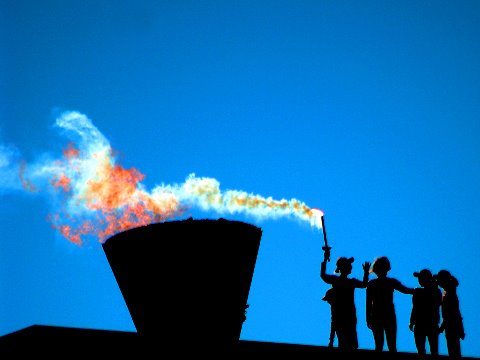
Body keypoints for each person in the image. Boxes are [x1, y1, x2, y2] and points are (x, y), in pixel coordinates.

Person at [320, 247, 370, 350]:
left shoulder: (347, 281)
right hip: (342, 313)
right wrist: (325, 259)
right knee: (345, 340)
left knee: (350, 340)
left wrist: (366, 273)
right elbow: (323, 276)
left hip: (348, 313)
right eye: (349, 266)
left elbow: (364, 284)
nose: (351, 268)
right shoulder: (342, 281)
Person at [366, 256, 414, 352]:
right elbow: (368, 303)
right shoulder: (375, 283)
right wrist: (368, 318)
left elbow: (405, 290)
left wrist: (417, 291)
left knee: (387, 344)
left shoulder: (386, 282)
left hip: (384, 314)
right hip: (380, 314)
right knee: (383, 344)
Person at [409, 268, 442, 356]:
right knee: (430, 350)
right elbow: (415, 308)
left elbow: (415, 308)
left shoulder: (419, 292)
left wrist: (412, 321)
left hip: (425, 324)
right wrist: (412, 321)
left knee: (426, 350)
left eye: (421, 278)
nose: (419, 280)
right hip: (428, 324)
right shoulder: (435, 291)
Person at [434, 270, 465, 358]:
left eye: (440, 280)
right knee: (452, 346)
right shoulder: (448, 292)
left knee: (453, 346)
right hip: (451, 323)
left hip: (452, 324)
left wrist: (441, 327)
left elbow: (449, 314)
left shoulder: (450, 292)